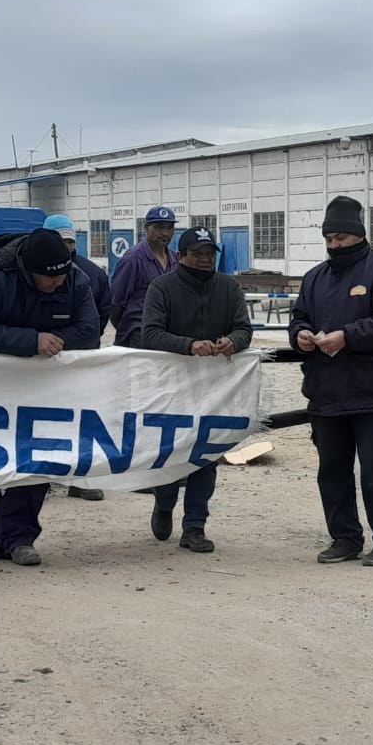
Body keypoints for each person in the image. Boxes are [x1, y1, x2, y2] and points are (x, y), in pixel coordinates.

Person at [0, 228, 99, 566]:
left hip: (37, 381)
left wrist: (49, 339)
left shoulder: (74, 279)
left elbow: (88, 332)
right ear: (28, 269)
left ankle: (18, 536)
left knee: (38, 450)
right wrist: (32, 341)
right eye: (49, 279)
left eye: (62, 277)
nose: (57, 284)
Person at [288, 195, 373, 567]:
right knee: (332, 471)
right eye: (329, 238)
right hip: (326, 393)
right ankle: (344, 537)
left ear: (358, 234)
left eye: (341, 237)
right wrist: (300, 336)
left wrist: (348, 335)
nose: (334, 245)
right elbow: (298, 318)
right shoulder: (314, 278)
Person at [140, 227, 253, 553]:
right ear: (181, 256)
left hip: (215, 390)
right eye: (197, 254)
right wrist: (189, 346)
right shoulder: (161, 288)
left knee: (207, 456)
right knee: (168, 454)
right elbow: (150, 333)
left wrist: (234, 341)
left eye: (209, 254)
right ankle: (163, 504)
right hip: (170, 389)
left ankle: (195, 526)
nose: (204, 260)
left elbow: (244, 328)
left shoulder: (229, 288)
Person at [43, 214, 111, 500]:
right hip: (40, 362)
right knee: (43, 420)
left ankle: (80, 481)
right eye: (60, 241)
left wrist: (79, 342)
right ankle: (38, 478)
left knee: (81, 421)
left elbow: (104, 313)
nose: (66, 247)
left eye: (70, 241)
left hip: (80, 363)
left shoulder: (92, 274)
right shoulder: (33, 271)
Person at [110, 205, 178, 348]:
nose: (165, 233)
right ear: (146, 228)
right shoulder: (133, 260)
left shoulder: (175, 260)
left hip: (166, 335)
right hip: (137, 336)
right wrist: (128, 328)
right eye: (159, 227)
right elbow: (116, 304)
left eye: (169, 227)